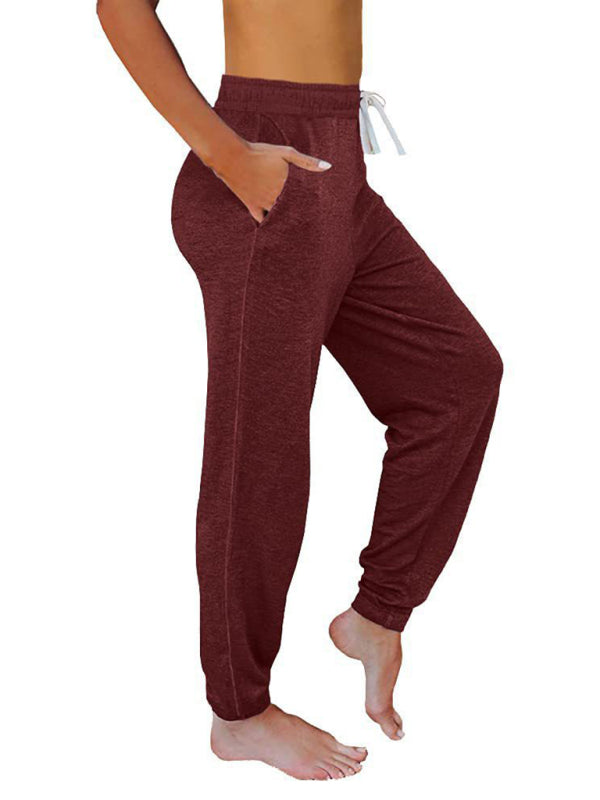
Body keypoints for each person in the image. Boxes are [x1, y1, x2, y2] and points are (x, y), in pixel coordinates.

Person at [97, 0, 502, 781]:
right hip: (263, 161)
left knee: (457, 379)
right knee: (261, 455)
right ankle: (239, 713)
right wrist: (229, 156)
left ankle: (376, 615)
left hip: (336, 166)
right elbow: (120, 8)